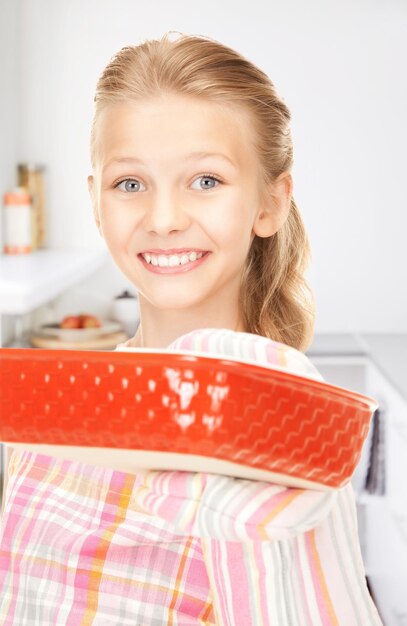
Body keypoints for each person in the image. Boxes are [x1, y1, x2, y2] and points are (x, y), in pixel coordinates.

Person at [0, 32, 383, 625]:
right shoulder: (55, 412)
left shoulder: (279, 405)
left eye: (206, 181)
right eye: (130, 184)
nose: (163, 219)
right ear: (96, 204)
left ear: (271, 204)